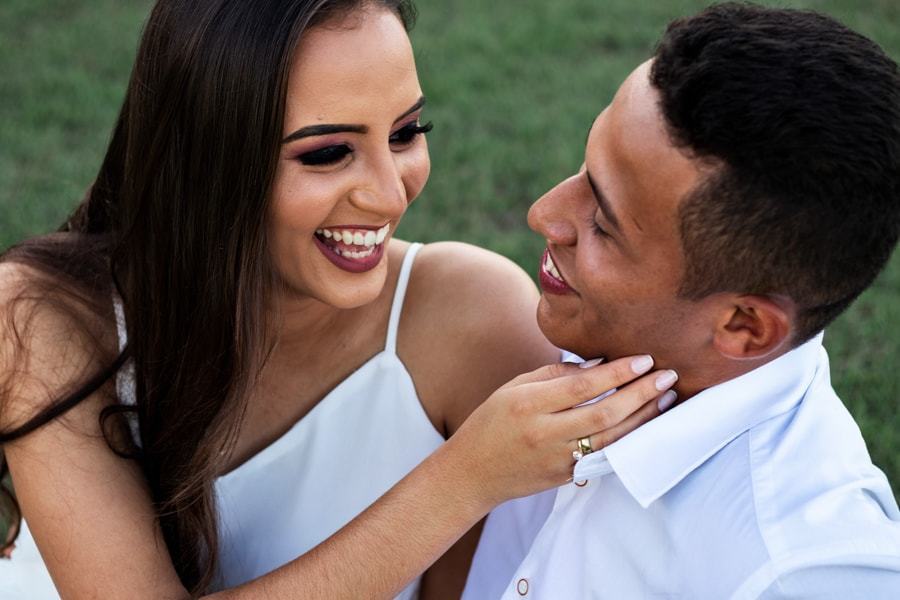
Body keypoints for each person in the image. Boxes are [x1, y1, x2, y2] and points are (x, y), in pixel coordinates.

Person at [0, 1, 679, 598]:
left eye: (407, 132)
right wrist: (464, 478)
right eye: (327, 153)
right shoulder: (41, 316)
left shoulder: (470, 316)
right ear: (206, 163)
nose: (390, 193)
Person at [463, 3, 900, 599]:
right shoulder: (558, 349)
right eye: (583, 168)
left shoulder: (798, 575)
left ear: (744, 326)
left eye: (605, 224)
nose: (544, 213)